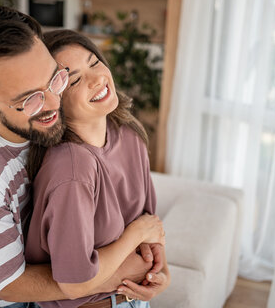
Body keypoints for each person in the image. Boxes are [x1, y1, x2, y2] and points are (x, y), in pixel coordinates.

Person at [0, 6, 165, 308]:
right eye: (30, 98)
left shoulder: (49, 126)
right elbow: (10, 286)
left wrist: (151, 268)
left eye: (55, 80)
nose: (53, 103)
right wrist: (122, 275)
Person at [24, 29, 171, 308]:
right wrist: (135, 236)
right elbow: (75, 282)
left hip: (133, 301)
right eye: (76, 79)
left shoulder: (129, 134)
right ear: (55, 102)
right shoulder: (72, 169)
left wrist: (162, 275)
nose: (96, 79)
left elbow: (150, 225)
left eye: (94, 62)